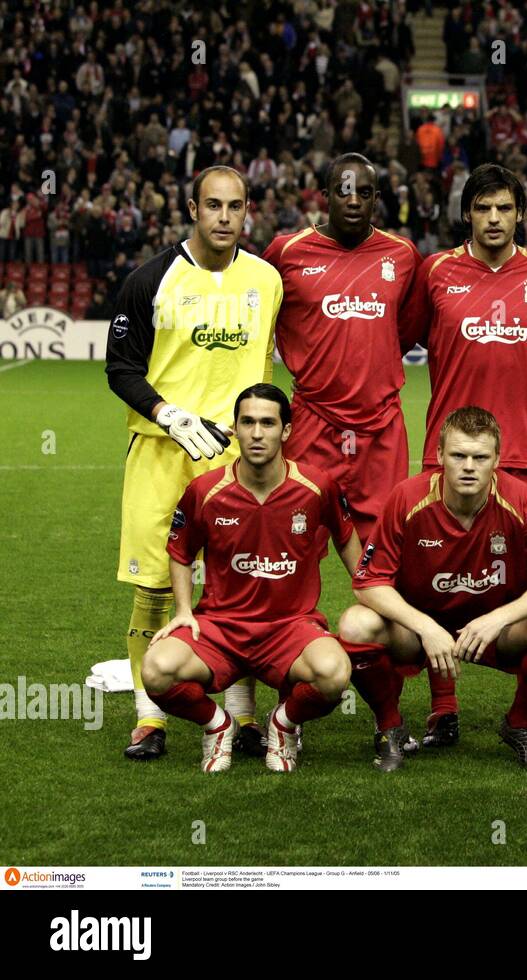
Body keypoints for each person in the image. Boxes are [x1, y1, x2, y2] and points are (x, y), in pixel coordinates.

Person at [106, 165, 283, 762]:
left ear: (247, 209)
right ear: (192, 208)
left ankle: (244, 717)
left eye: (235, 206)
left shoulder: (266, 279)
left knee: (242, 588)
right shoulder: (149, 280)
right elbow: (120, 368)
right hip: (162, 452)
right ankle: (149, 717)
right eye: (213, 205)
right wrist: (170, 415)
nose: (225, 217)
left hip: (237, 460)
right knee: (154, 588)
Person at [260, 152, 427, 767]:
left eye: (366, 192)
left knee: (388, 576)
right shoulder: (286, 251)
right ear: (324, 194)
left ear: (378, 197)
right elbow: (261, 319)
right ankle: (288, 701)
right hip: (313, 432)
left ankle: (400, 716)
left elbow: (405, 332)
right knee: (287, 565)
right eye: (344, 190)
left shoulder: (402, 256)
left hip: (381, 432)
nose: (354, 200)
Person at [410, 163, 527, 751]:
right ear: (467, 214)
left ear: (519, 213)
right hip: (446, 454)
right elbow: (404, 336)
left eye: (504, 208)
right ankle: (442, 707)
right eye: (483, 208)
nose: (494, 219)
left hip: (526, 454)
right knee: (432, 583)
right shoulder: (437, 272)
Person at [338, 407, 527, 772]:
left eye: (480, 457)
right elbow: (368, 583)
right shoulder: (406, 498)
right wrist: (426, 627)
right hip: (419, 634)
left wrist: (498, 619)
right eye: (458, 455)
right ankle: (390, 727)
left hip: (493, 633)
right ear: (438, 456)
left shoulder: (522, 500)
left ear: (497, 459)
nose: (469, 466)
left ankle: (519, 722)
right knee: (356, 624)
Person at [140, 384, 356, 772]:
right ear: (236, 429)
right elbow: (180, 551)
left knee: (334, 673)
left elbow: (346, 539)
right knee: (157, 669)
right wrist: (184, 611)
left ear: (286, 431)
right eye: (249, 422)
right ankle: (217, 725)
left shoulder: (316, 486)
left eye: (268, 423)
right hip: (221, 628)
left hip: (290, 627)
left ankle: (284, 723)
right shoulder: (205, 490)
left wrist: (367, 596)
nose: (257, 433)